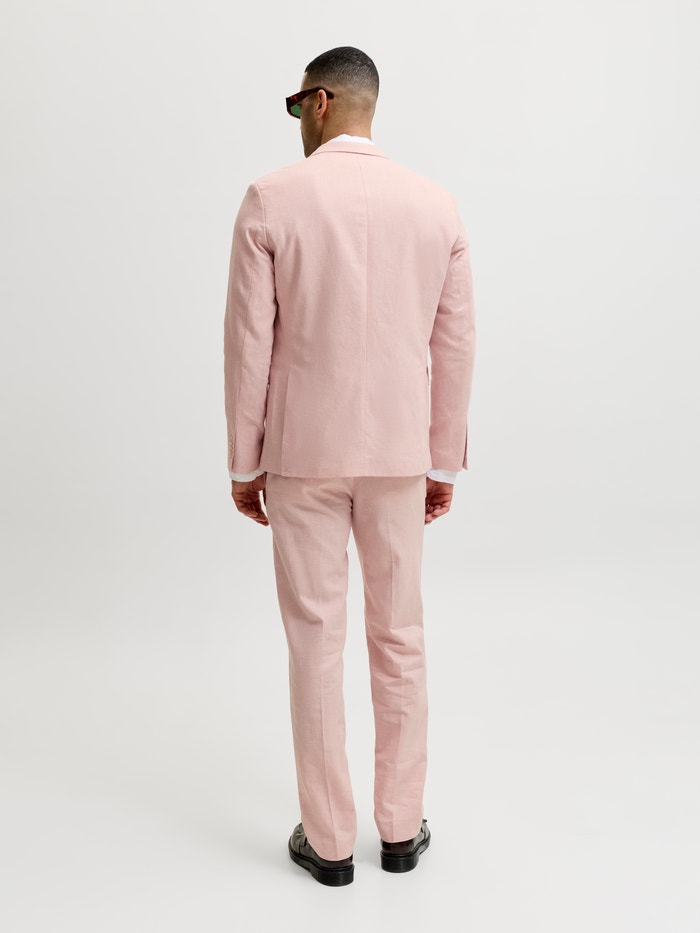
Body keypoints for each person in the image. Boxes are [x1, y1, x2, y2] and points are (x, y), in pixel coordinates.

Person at [223, 46, 476, 886]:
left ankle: (329, 840)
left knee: (315, 640)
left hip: (303, 453)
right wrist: (442, 459)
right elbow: (455, 341)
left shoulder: (272, 198)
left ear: (323, 101)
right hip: (400, 455)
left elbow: (249, 341)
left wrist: (245, 458)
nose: (297, 120)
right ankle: (400, 828)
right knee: (400, 634)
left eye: (298, 105)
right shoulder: (435, 205)